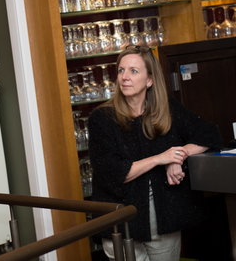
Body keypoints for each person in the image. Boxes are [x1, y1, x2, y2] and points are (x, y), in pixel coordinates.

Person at [88, 45, 221, 261]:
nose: (125, 77)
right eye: (121, 70)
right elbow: (115, 174)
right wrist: (161, 158)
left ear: (150, 80)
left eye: (133, 71)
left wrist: (178, 156)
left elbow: (209, 134)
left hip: (163, 219)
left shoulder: (166, 109)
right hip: (121, 224)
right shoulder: (102, 118)